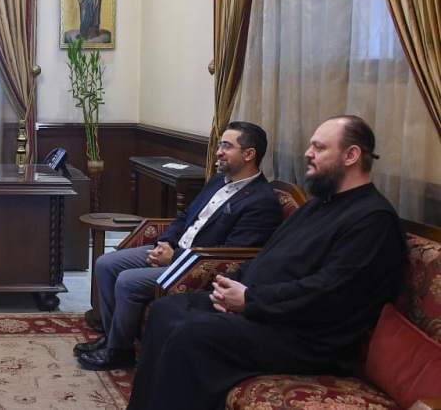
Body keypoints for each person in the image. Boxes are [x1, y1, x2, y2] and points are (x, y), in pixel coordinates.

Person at [126, 115, 408, 410]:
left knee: (191, 335)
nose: (308, 154)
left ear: (351, 155)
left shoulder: (373, 219)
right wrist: (231, 287)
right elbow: (269, 255)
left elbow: (329, 292)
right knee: (165, 310)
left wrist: (250, 300)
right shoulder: (318, 205)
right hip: (266, 310)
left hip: (307, 336)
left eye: (319, 148)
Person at [75, 121, 283, 371]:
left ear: (249, 154)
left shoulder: (261, 202)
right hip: (176, 251)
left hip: (196, 266)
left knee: (128, 281)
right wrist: (165, 242)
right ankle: (112, 337)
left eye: (227, 147)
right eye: (220, 145)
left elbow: (230, 255)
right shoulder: (218, 180)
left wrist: (174, 258)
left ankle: (119, 352)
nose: (218, 152)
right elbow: (185, 216)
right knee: (106, 264)